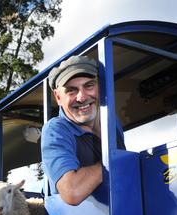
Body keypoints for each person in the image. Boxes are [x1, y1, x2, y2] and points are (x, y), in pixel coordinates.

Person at [41, 55, 125, 206]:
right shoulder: (55, 130)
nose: (82, 97)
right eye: (71, 91)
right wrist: (117, 161)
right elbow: (73, 192)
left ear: (99, 86)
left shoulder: (112, 122)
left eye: (89, 86)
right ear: (58, 97)